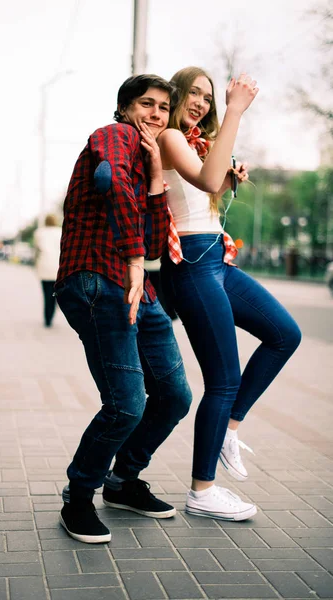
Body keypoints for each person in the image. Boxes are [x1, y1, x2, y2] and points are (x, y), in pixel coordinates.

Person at [158, 67, 302, 521]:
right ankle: (203, 490)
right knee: (223, 379)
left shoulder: (196, 143)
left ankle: (229, 427)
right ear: (176, 95)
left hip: (217, 261)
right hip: (193, 266)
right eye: (193, 94)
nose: (201, 102)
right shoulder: (168, 137)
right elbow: (202, 182)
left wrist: (229, 173)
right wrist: (237, 110)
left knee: (285, 334)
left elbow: (210, 183)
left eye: (208, 96)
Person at [54, 74, 192, 544]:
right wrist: (135, 260)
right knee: (126, 405)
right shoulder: (113, 135)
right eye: (146, 104)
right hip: (95, 279)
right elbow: (112, 184)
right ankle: (78, 496)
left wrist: (156, 179)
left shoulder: (147, 155)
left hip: (138, 291)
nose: (155, 114)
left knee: (174, 396)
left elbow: (153, 243)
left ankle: (122, 481)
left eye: (162, 108)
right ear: (125, 107)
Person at [33, 214, 62, 327]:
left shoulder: (39, 233)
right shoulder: (60, 231)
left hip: (44, 266)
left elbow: (36, 251)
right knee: (55, 292)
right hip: (57, 267)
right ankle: (53, 310)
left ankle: (47, 318)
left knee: (46, 294)